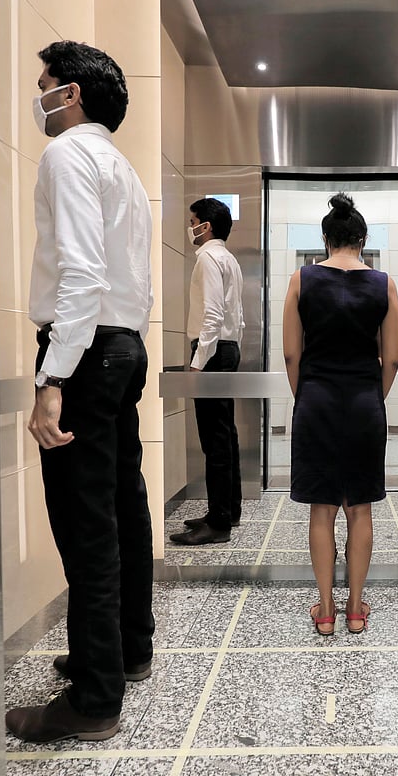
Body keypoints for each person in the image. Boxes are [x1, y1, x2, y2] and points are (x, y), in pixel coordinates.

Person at [6, 41, 156, 743]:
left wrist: (53, 379)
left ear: (71, 94)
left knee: (84, 520)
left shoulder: (68, 154)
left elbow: (82, 274)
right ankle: (126, 649)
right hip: (123, 346)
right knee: (123, 504)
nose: (37, 96)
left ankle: (94, 699)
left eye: (44, 84)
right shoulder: (121, 168)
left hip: (86, 351)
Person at [283, 193, 398, 635]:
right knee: (360, 508)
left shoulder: (301, 279)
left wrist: (305, 396)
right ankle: (355, 609)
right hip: (364, 402)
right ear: (362, 240)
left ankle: (326, 610)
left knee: (322, 508)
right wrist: (374, 396)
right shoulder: (384, 284)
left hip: (316, 401)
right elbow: (392, 357)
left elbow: (291, 354)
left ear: (325, 238)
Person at [170, 198, 246, 545]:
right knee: (225, 434)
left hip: (213, 351)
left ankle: (218, 523)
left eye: (193, 222)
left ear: (206, 226)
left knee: (214, 439)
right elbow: (236, 318)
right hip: (227, 349)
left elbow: (212, 315)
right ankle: (228, 510)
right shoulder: (229, 259)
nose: (190, 228)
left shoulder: (208, 258)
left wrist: (198, 361)